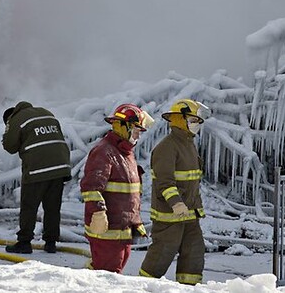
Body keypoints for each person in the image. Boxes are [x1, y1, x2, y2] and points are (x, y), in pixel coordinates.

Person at [139, 99, 210, 285]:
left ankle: (189, 288)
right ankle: (143, 287)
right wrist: (176, 203)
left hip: (190, 214)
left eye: (198, 121)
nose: (196, 125)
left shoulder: (188, 144)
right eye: (193, 120)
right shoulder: (167, 147)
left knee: (194, 253)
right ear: (180, 119)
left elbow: (192, 181)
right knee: (162, 253)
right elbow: (165, 181)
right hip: (170, 216)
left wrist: (193, 206)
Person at [80, 103, 154, 273]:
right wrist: (97, 213)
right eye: (136, 130)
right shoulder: (104, 152)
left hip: (122, 231)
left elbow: (129, 193)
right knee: (106, 276)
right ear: (123, 126)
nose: (138, 136)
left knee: (112, 274)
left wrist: (135, 221)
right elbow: (91, 187)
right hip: (107, 231)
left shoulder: (125, 153)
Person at [2, 101, 71, 254]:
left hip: (37, 169)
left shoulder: (16, 119)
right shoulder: (46, 112)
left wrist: (8, 129)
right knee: (52, 207)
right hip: (60, 166)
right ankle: (51, 243)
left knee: (29, 206)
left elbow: (9, 146)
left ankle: (24, 242)